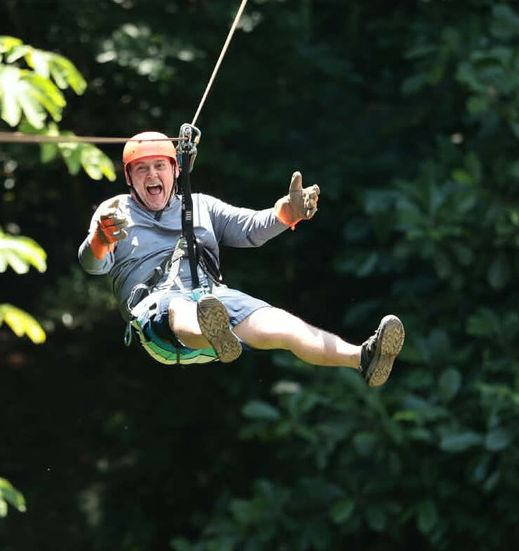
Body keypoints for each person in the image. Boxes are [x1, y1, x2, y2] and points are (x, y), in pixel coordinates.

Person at [77, 130, 404, 386]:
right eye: (142, 169)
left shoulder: (201, 206)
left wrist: (290, 212)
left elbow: (250, 229)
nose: (152, 175)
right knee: (179, 306)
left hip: (213, 301)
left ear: (176, 170)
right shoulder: (115, 212)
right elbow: (91, 264)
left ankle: (362, 356)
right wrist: (102, 238)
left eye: (160, 165)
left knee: (283, 324)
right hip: (158, 322)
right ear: (129, 177)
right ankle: (211, 332)